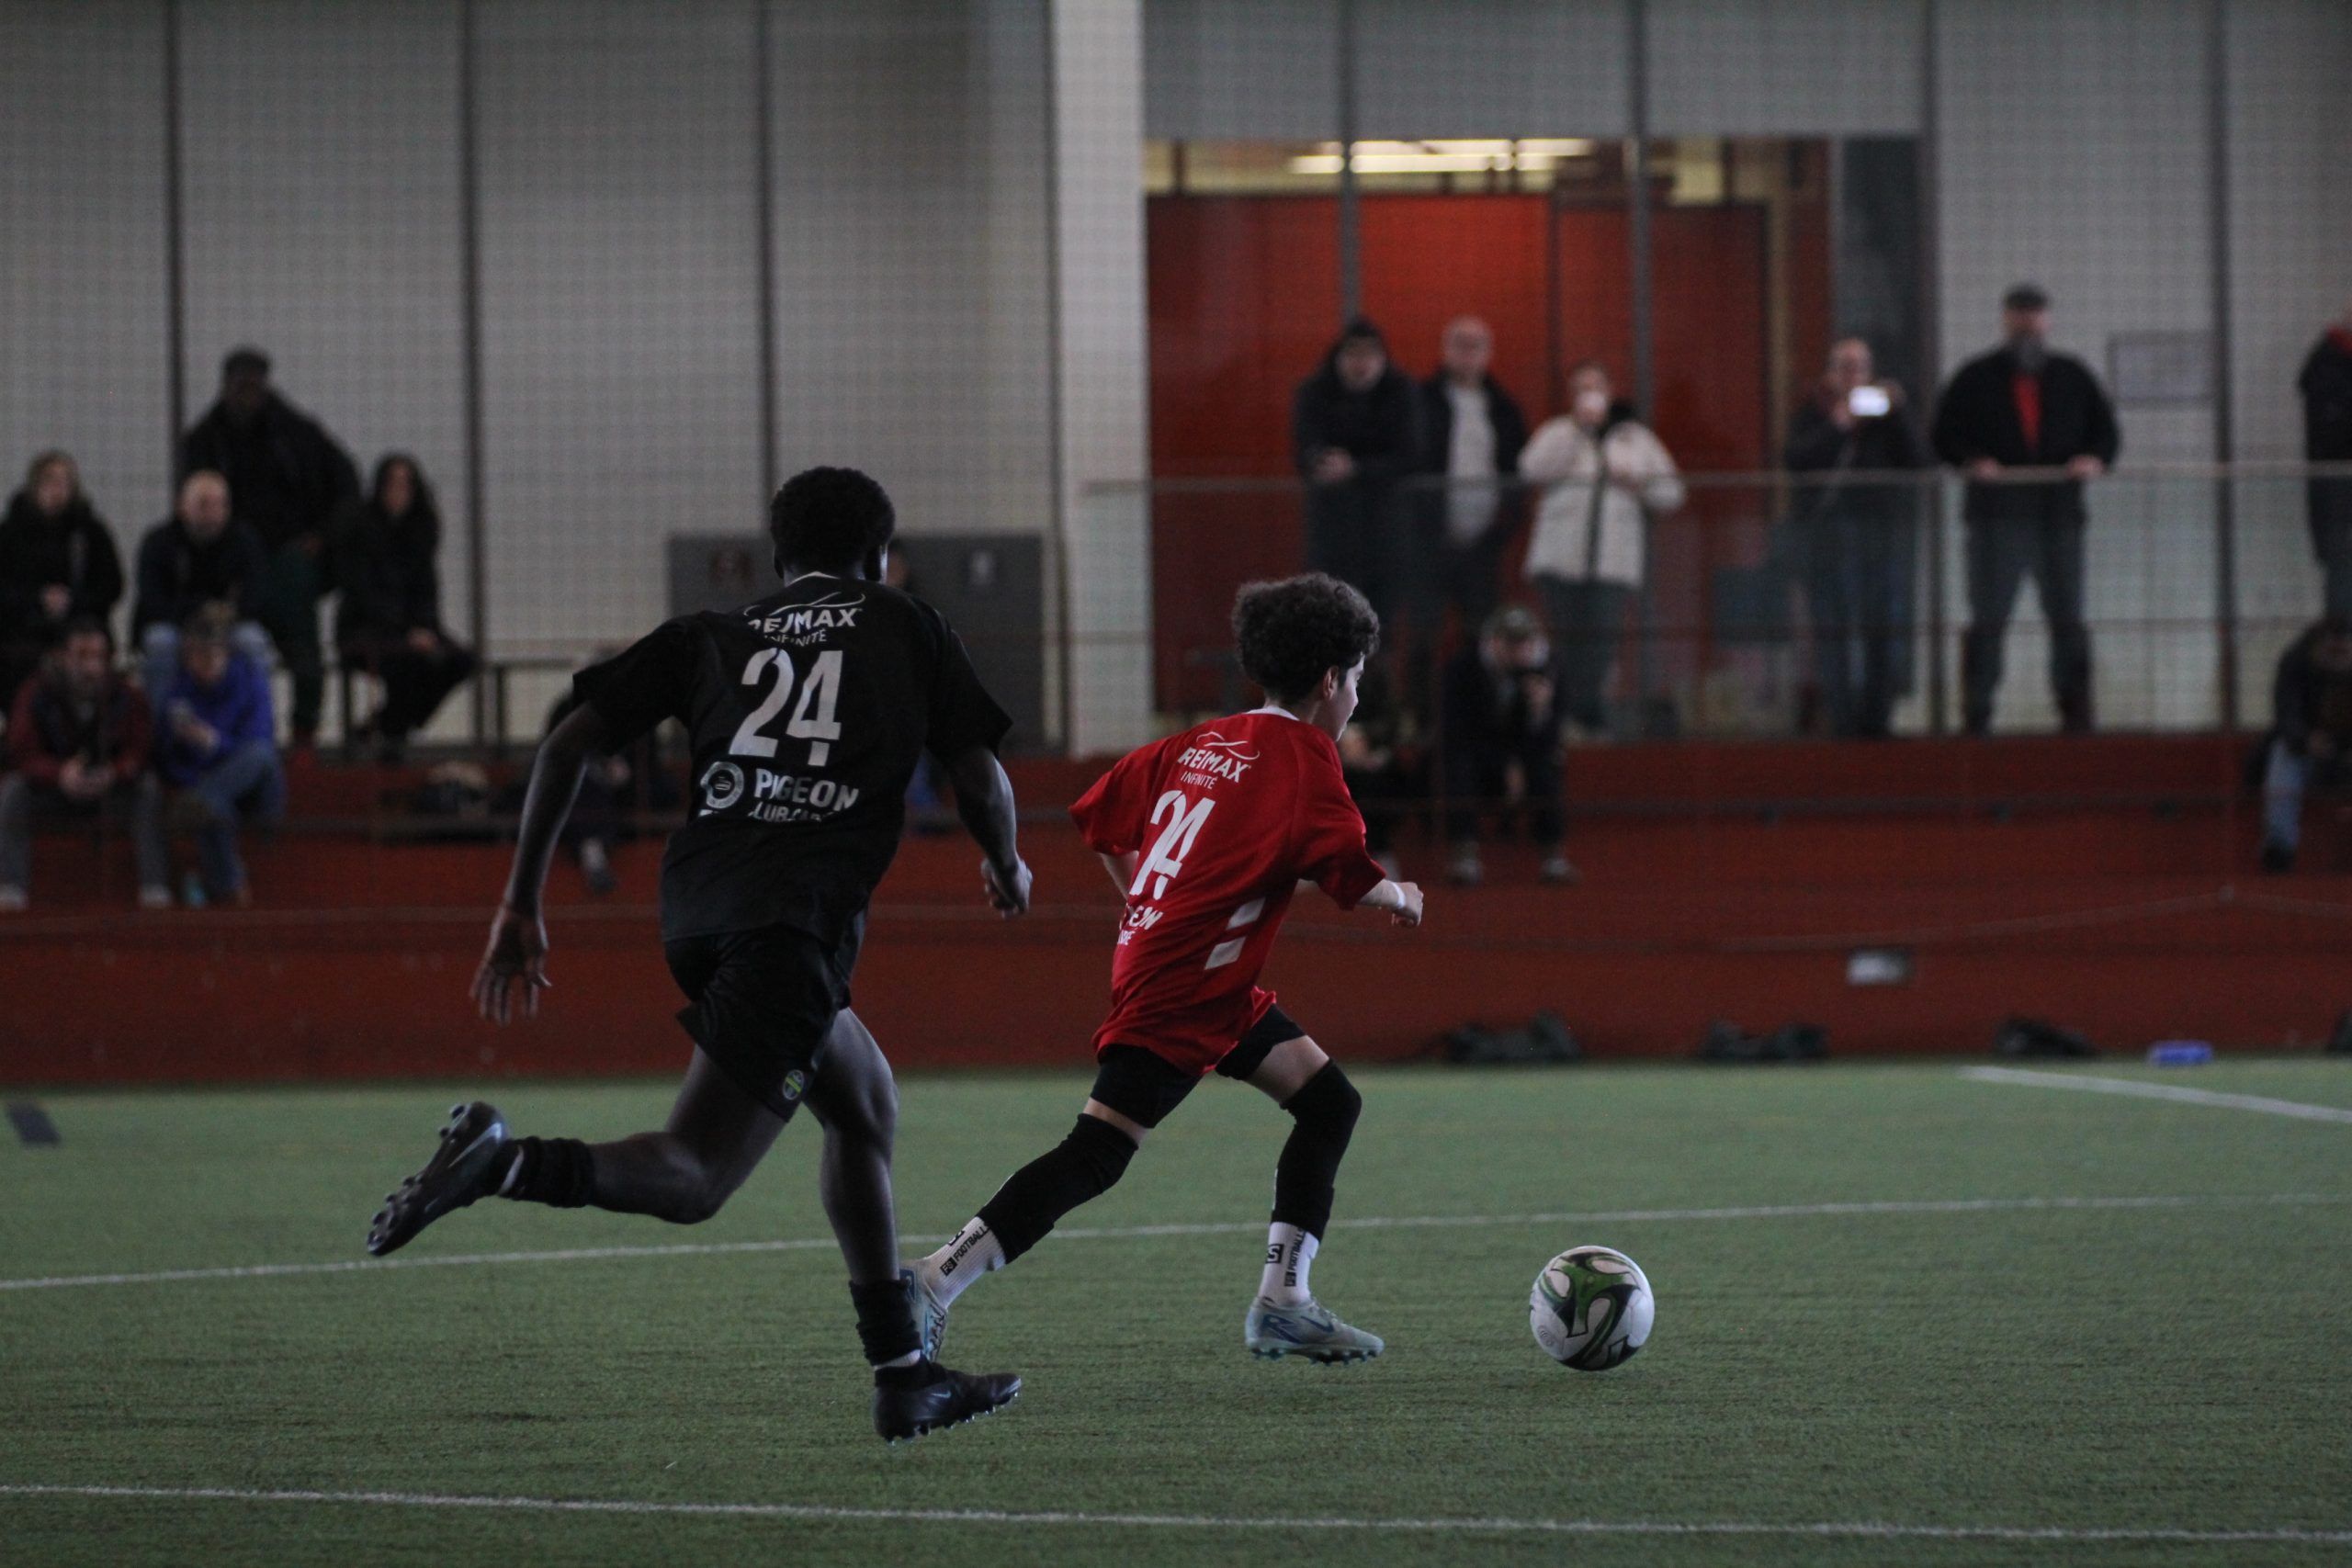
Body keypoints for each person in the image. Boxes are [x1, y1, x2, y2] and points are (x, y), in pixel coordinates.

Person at [365, 466, 1029, 1443]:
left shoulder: (713, 632)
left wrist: (519, 904)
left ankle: (903, 1376)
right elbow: (979, 773)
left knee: (863, 1101)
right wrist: (1005, 863)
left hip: (697, 908)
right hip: (790, 924)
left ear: (779, 557)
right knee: (696, 1177)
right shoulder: (908, 624)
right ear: (878, 555)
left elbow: (564, 747)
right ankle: (503, 1164)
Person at [907, 572, 1426, 1371]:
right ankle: (935, 1278)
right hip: (1187, 986)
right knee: (1097, 1151)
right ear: (1330, 680)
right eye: (1355, 679)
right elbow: (1352, 879)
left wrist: (1147, 907)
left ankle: (1285, 1301)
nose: (1356, 697)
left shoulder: (1199, 742)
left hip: (1207, 981)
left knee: (1329, 1103)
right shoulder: (1305, 758)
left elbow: (1101, 820)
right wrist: (1403, 895)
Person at [1931, 285, 2121, 735]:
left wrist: (2093, 459)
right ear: (2006, 319)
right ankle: (1977, 713)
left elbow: (2107, 434)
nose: (2028, 322)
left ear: (2047, 320)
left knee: (2067, 617)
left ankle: (2075, 712)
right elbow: (1943, 435)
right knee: (1988, 619)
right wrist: (1972, 461)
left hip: (2059, 515)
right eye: (2020, 313)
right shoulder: (1975, 377)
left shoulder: (2072, 376)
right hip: (1996, 518)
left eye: (2035, 313)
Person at [179, 348, 360, 747]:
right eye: (240, 383)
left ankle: (303, 735)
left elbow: (348, 487)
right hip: (226, 565)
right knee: (230, 652)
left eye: (254, 383)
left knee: (302, 651)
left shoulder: (298, 433)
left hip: (287, 562)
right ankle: (239, 734)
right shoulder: (204, 440)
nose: (247, 392)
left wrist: (321, 539)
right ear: (226, 385)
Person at [1520, 360, 1684, 734]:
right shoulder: (1557, 432)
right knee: (1564, 643)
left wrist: (1637, 481)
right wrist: (1577, 432)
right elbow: (1531, 471)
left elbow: (1671, 493)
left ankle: (1587, 717)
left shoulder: (1635, 439)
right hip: (1559, 561)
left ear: (1610, 392)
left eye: (1596, 388)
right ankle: (1563, 719)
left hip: (1613, 564)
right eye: (1582, 388)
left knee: (1601, 645)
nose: (1589, 395)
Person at [1782, 338, 1931, 738]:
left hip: (1879, 534)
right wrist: (1838, 425)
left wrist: (1899, 412)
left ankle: (1878, 719)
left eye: (1861, 368)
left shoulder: (1886, 418)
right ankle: (1842, 720)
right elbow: (1795, 460)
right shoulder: (1812, 413)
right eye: (1845, 367)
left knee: (1882, 626)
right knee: (1834, 629)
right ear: (1830, 373)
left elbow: (1919, 460)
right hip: (1828, 539)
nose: (1853, 376)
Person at [0, 618, 168, 912]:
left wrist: (114, 772)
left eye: (98, 657)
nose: (91, 667)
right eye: (82, 656)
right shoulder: (36, 692)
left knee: (148, 790)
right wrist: (59, 773)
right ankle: (11, 889)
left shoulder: (126, 695)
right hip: (55, 790)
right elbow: (21, 753)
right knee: (13, 791)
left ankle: (154, 888)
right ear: (62, 657)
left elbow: (141, 750)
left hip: (110, 791)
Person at [334, 455, 478, 762]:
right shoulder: (360, 530)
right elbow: (362, 594)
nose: (398, 492)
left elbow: (427, 591)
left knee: (462, 660)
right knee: (406, 663)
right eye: (392, 484)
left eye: (405, 485)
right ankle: (393, 735)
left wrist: (424, 627)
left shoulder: (421, 532)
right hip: (365, 627)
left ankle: (387, 725)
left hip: (413, 629)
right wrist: (404, 632)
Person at [1293, 318, 1420, 638]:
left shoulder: (1401, 393)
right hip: (1332, 528)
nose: (1360, 364)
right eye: (1353, 354)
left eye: (1369, 354)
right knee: (1330, 619)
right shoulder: (1314, 392)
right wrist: (1322, 461)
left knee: (1380, 624)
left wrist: (1357, 469)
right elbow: (1304, 447)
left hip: (1386, 529)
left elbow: (1411, 454)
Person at [156, 606, 283, 907]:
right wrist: (181, 740)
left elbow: (259, 743)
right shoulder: (178, 693)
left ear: (227, 653)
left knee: (260, 755)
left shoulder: (250, 682)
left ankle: (200, 801)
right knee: (212, 807)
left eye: (213, 655)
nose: (206, 664)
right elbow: (168, 759)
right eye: (197, 656)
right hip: (208, 785)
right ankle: (230, 885)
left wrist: (213, 743)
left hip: (254, 788)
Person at [1441, 604, 1572, 886]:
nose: (1517, 650)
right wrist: (1505, 765)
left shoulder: (1550, 669)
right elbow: (1458, 732)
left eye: (1523, 642)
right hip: (1479, 755)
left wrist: (1540, 711)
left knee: (1547, 768)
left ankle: (1553, 856)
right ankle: (1465, 853)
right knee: (1459, 768)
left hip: (1527, 756)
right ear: (1493, 641)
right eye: (1510, 642)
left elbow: (1552, 736)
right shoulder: (1464, 667)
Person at [1417, 316, 1530, 641]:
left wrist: (1503, 526)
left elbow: (1518, 470)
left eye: (1475, 346)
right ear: (1445, 349)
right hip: (1428, 540)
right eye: (1460, 345)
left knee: (1481, 631)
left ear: (1488, 352)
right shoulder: (1421, 400)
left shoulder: (1504, 408)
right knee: (1423, 632)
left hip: (1485, 543)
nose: (1467, 353)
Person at [132, 471, 272, 702]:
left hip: (228, 626)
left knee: (252, 641)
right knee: (160, 643)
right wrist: (200, 614)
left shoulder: (245, 541)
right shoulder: (158, 542)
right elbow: (152, 599)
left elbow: (256, 595)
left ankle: (256, 722)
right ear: (181, 506)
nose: (212, 513)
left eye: (220, 504)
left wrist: (223, 618)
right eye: (203, 504)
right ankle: (159, 720)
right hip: (176, 625)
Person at [0, 452, 125, 707]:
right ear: (35, 486)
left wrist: (74, 601)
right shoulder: (10, 533)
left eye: (63, 482)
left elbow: (112, 585)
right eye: (49, 481)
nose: (56, 490)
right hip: (23, 626)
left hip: (80, 621)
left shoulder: (91, 532)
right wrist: (37, 600)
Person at [2258, 614, 2352, 874]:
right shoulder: (2296, 663)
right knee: (2283, 757)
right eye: (2331, 651)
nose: (2337, 659)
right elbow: (2286, 714)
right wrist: (2305, 740)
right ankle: (2279, 848)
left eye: (2343, 652)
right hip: (2306, 752)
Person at [2300, 299, 2352, 619]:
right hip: (2336, 480)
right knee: (2340, 555)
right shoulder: (2328, 365)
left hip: (2335, 479)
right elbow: (2331, 430)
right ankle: (2341, 624)